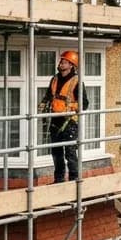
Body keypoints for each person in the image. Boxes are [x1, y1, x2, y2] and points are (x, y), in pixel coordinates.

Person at [43, 50, 87, 183]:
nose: (61, 63)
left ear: (71, 65)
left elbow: (84, 104)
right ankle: (59, 179)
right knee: (56, 152)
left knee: (70, 152)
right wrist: (43, 104)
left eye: (64, 62)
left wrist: (70, 107)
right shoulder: (55, 79)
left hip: (69, 122)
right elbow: (48, 96)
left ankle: (74, 179)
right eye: (61, 61)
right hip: (55, 120)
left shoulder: (76, 81)